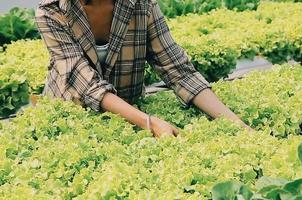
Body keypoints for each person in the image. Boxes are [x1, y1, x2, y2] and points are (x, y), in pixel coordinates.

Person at [35, 0, 252, 138]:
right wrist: (148, 121)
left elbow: (178, 70)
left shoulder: (142, 4)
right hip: (70, 119)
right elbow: (86, 85)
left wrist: (237, 125)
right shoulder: (52, 11)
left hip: (128, 113)